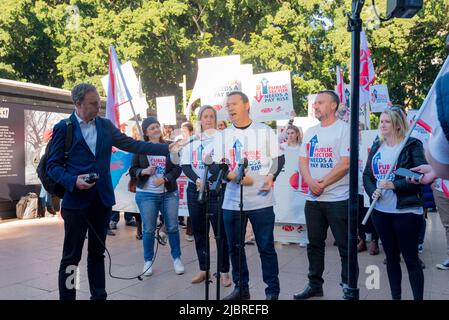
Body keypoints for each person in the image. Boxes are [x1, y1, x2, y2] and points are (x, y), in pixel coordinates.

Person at [47, 83, 177, 300]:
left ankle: (99, 296)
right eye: (93, 104)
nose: (99, 107)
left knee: (97, 255)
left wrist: (167, 148)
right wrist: (73, 180)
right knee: (71, 257)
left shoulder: (105, 126)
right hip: (76, 204)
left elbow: (134, 145)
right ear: (78, 104)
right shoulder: (64, 128)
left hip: (102, 201)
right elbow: (52, 166)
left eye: (99, 102)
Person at [212, 91, 285, 300]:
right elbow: (217, 166)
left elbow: (278, 160)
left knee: (266, 248)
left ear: (246, 105)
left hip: (261, 200)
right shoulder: (223, 136)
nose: (230, 108)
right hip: (232, 202)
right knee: (235, 247)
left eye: (234, 104)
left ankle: (272, 292)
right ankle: (241, 288)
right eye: (228, 105)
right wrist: (234, 176)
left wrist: (271, 176)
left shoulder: (264, 131)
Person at [363, 106, 427, 300]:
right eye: (381, 121)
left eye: (387, 121)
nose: (382, 125)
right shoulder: (377, 145)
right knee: (391, 258)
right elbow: (367, 174)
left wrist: (393, 184)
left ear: (398, 125)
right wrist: (372, 189)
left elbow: (418, 174)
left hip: (406, 211)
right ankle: (396, 296)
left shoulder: (411, 145)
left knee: (411, 259)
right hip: (381, 211)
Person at [294, 90, 351, 300]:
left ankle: (348, 286)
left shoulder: (345, 129)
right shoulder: (310, 131)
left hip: (338, 199)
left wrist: (323, 184)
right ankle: (314, 285)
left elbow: (345, 164)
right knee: (314, 245)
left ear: (333, 105)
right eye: (315, 103)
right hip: (313, 200)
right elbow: (302, 160)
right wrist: (311, 183)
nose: (315, 106)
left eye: (320, 102)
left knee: (345, 247)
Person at [180, 106, 231, 286]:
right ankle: (204, 269)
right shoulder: (192, 140)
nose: (208, 119)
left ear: (215, 120)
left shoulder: (222, 140)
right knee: (200, 233)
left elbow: (222, 164)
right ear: (200, 119)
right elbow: (185, 165)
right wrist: (197, 180)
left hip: (216, 191)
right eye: (205, 116)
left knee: (220, 233)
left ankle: (224, 271)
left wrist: (208, 179)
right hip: (195, 191)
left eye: (211, 116)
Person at [129, 116, 184, 277]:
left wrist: (166, 178)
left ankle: (177, 258)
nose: (156, 129)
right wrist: (143, 171)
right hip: (146, 195)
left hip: (169, 193)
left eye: (157, 126)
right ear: (145, 132)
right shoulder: (140, 148)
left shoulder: (169, 146)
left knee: (173, 226)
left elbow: (177, 168)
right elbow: (133, 170)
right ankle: (148, 261)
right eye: (152, 127)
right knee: (148, 229)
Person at [279, 124, 308, 247]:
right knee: (287, 208)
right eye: (288, 133)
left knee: (300, 209)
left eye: (292, 133)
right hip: (285, 182)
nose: (290, 135)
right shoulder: (281, 148)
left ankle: (302, 237)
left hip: (299, 182)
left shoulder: (302, 148)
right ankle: (287, 236)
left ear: (297, 134)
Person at [357, 123, 379, 255]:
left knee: (373, 214)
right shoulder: (352, 146)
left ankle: (375, 241)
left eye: (361, 130)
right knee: (360, 214)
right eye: (357, 130)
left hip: (371, 186)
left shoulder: (374, 145)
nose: (358, 132)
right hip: (358, 187)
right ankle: (362, 240)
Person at [177, 121, 195, 241]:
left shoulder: (195, 143)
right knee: (178, 203)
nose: (183, 134)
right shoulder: (178, 143)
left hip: (190, 177)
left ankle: (190, 231)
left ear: (191, 132)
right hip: (179, 178)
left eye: (185, 131)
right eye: (181, 131)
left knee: (190, 206)